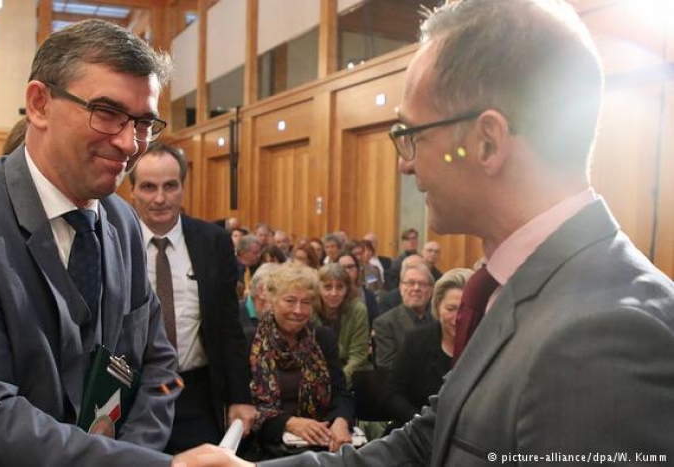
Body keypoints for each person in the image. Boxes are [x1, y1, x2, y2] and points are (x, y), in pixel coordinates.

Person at [173, 1, 674, 466]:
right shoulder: (510, 290)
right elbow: (426, 442)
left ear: (486, 142)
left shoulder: (604, 335)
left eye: (412, 136)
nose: (406, 166)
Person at [0, 20, 181, 466]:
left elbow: (157, 366)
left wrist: (130, 457)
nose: (128, 142)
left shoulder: (122, 219)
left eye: (143, 122)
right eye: (107, 112)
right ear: (39, 103)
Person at [129, 142, 255, 452]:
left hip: (197, 393)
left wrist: (240, 397)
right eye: (148, 187)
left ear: (183, 188)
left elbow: (229, 326)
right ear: (132, 190)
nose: (160, 198)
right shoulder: (114, 240)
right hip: (134, 397)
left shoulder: (214, 242)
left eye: (170, 186)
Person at [247, 263, 353, 459]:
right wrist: (289, 423)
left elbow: (340, 392)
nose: (298, 310)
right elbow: (245, 407)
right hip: (264, 448)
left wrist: (341, 420)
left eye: (306, 302)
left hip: (320, 444)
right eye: (290, 300)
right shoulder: (249, 342)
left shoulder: (322, 338)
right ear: (272, 300)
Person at [382, 268, 471, 431]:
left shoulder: (485, 345)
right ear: (437, 307)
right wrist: (421, 421)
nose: (458, 318)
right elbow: (392, 395)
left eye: (464, 310)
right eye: (451, 309)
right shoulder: (417, 340)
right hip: (416, 432)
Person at [313, 263, 370, 387]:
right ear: (318, 289)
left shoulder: (358, 310)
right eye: (328, 287)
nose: (334, 293)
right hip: (314, 376)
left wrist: (337, 383)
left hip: (348, 377)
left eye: (339, 287)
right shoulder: (309, 310)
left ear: (347, 289)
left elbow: (358, 357)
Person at [372, 262, 434, 369]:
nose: (416, 288)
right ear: (401, 288)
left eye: (422, 284)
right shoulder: (385, 323)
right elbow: (387, 366)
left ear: (430, 290)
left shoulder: (437, 320)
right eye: (410, 283)